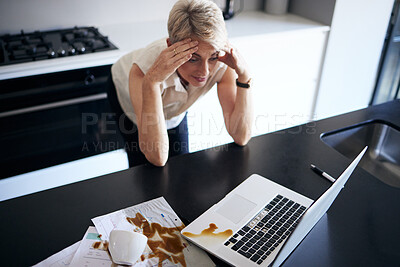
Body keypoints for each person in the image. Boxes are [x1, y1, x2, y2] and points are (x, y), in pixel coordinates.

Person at [109, 0, 253, 167]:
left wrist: (244, 76)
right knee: (145, 169)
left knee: (182, 166)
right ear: (170, 46)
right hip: (127, 89)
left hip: (173, 107)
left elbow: (241, 136)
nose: (205, 72)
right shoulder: (143, 72)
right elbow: (157, 157)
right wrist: (152, 83)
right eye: (193, 58)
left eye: (212, 57)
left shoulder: (223, 62)